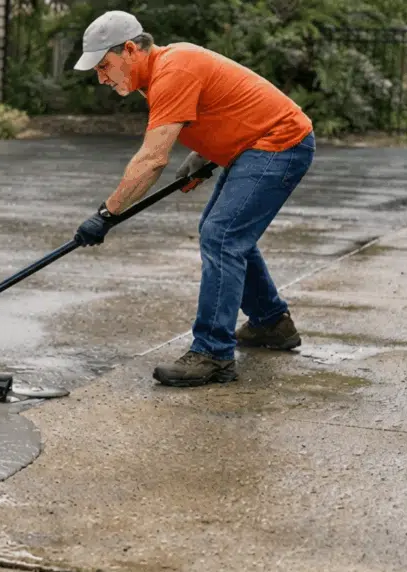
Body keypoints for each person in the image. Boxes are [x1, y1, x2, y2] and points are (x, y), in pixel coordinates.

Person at [70, 10, 316, 388]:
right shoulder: (163, 70)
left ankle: (213, 354)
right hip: (252, 147)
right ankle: (271, 323)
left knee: (222, 236)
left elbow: (152, 159)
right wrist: (202, 156)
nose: (102, 77)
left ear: (131, 50)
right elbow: (221, 106)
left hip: (279, 144)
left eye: (105, 65)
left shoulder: (173, 71)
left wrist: (106, 214)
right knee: (223, 233)